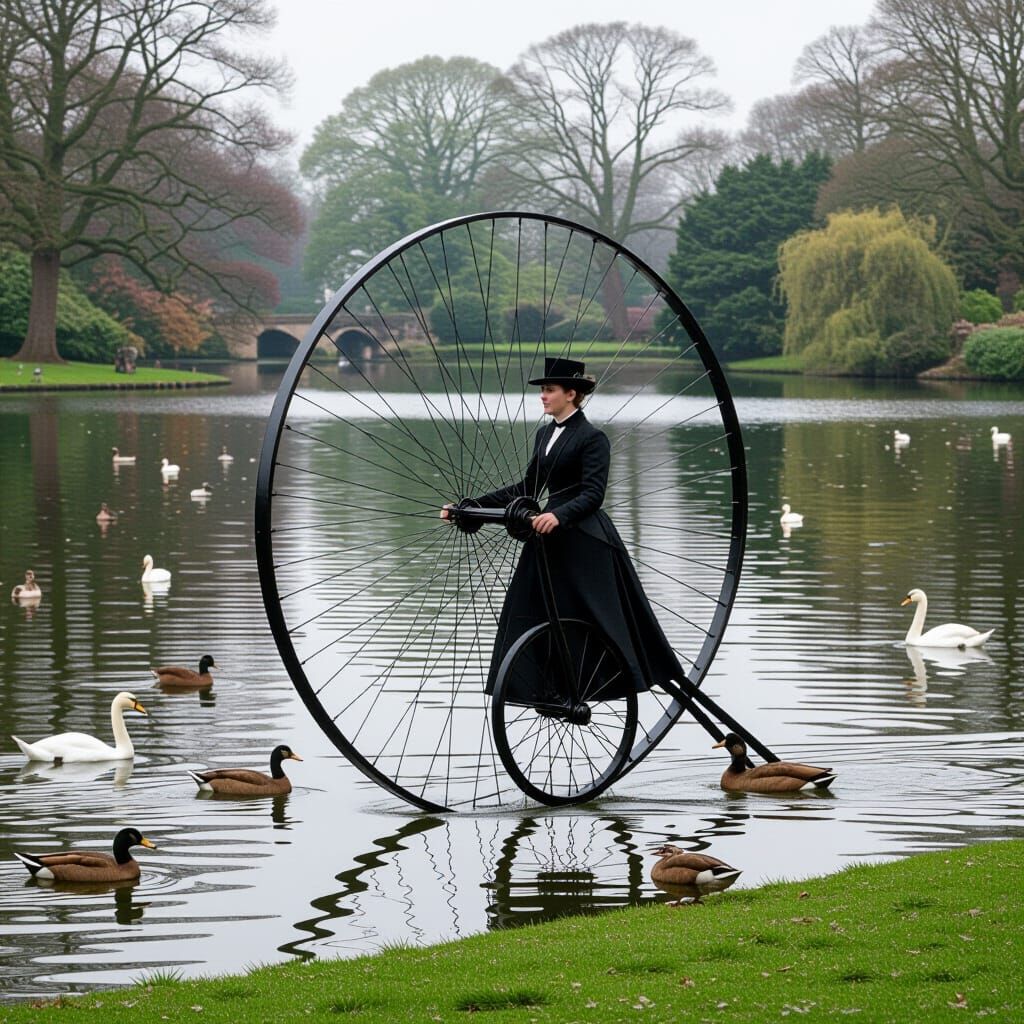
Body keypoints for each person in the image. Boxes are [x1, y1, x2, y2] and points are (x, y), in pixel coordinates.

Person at [442, 356, 683, 702]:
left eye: (549, 390)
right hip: (548, 537)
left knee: (585, 617)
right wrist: (468, 508)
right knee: (527, 606)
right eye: (542, 390)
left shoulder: (592, 438)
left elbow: (593, 494)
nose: (542, 396)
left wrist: (559, 515)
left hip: (584, 539)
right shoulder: (544, 434)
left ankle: (592, 683)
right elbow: (528, 487)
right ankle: (544, 688)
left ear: (571, 394)